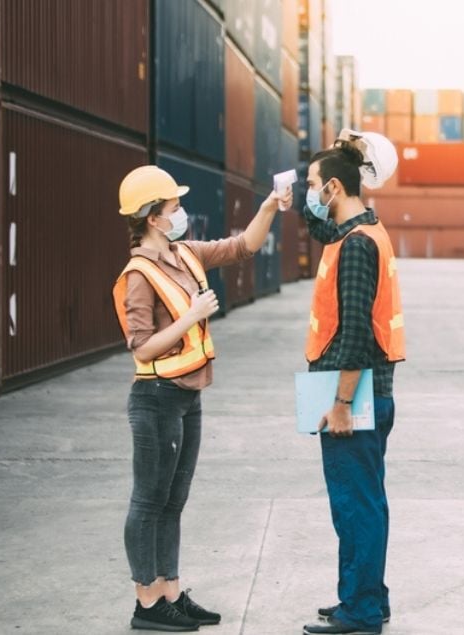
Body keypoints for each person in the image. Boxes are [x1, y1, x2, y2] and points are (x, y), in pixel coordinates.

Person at [112, 165, 290, 631]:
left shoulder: (185, 253)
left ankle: (170, 591)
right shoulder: (139, 275)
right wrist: (191, 316)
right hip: (155, 398)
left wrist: (269, 205)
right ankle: (146, 602)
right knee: (149, 500)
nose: (180, 213)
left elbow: (243, 247)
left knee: (174, 500)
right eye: (173, 207)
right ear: (153, 217)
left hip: (188, 396)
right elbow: (141, 345)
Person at [299, 138, 404, 635]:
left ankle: (360, 611)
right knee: (363, 499)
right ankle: (364, 597)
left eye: (315, 186)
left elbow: (358, 333)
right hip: (352, 386)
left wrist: (341, 404)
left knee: (354, 503)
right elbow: (322, 223)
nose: (311, 193)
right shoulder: (359, 230)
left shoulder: (357, 246)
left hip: (352, 390)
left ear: (336, 186)